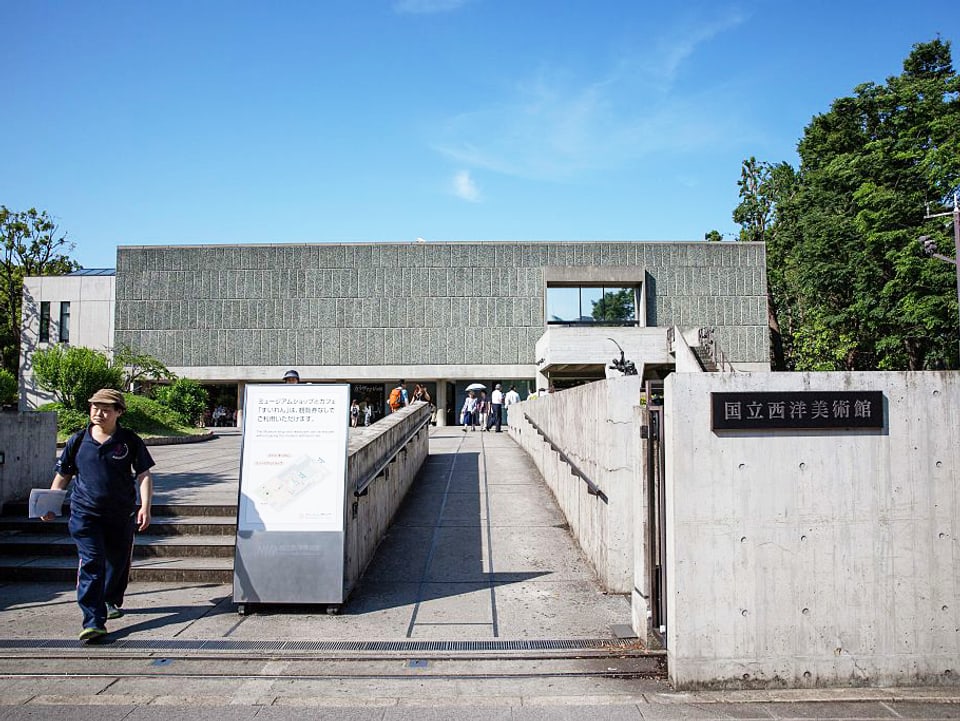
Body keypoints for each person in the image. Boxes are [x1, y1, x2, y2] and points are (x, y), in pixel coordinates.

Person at [43, 388, 155, 642]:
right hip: (85, 514)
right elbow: (64, 475)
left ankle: (110, 600)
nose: (99, 413)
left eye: (105, 409)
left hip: (121, 513)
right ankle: (93, 620)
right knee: (92, 562)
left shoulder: (129, 441)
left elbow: (143, 474)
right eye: (95, 407)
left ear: (119, 412)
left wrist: (145, 506)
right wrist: (49, 503)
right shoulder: (78, 440)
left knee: (117, 562)